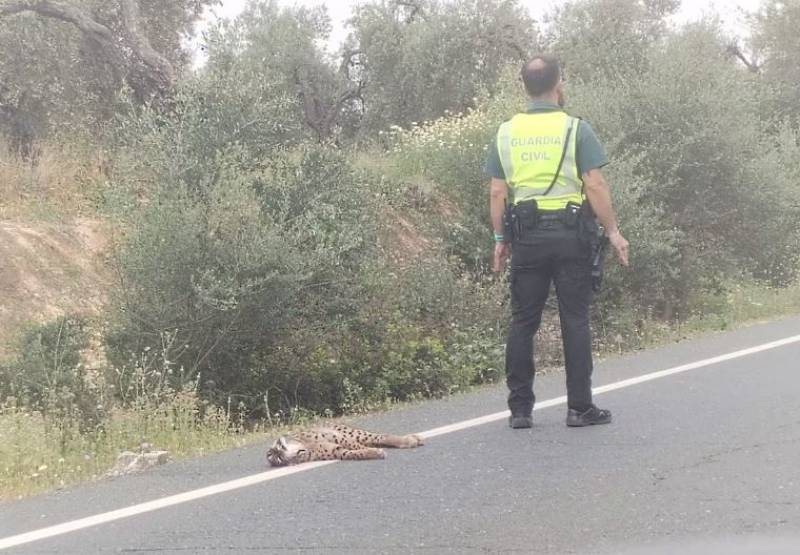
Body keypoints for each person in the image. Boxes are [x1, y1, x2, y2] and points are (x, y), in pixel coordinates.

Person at [485, 54, 630, 429]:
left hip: (527, 239)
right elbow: (595, 184)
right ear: (558, 84)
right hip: (570, 237)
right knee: (575, 319)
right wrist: (613, 231)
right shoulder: (575, 129)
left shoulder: (505, 133)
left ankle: (520, 410)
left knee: (523, 321)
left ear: (524, 87)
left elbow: (498, 192)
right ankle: (579, 408)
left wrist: (500, 239)